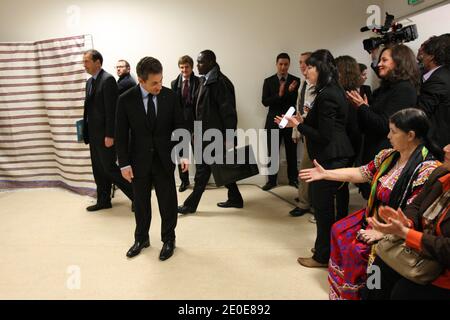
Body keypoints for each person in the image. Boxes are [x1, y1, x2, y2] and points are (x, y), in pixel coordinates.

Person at [298, 108, 440, 299]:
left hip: (398, 227)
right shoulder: (389, 156)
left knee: (358, 250)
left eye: (393, 131)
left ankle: (364, 293)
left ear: (410, 135)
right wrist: (326, 174)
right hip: (374, 216)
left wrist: (383, 231)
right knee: (339, 230)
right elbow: (362, 173)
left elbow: (413, 212)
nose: (388, 135)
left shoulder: (427, 169)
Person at [275, 49, 354, 268]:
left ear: (322, 69)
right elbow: (326, 125)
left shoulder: (327, 94)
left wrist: (298, 125)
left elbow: (325, 135)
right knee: (329, 209)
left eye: (310, 67)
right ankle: (327, 250)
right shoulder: (333, 90)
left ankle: (322, 256)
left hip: (330, 157)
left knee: (324, 209)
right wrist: (303, 120)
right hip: (337, 155)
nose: (306, 71)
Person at [115, 56, 187, 261]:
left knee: (168, 203)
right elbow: (120, 134)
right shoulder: (125, 99)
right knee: (141, 203)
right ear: (141, 80)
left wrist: (183, 154)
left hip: (164, 160)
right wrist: (124, 163)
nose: (159, 86)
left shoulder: (170, 96)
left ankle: (169, 239)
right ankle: (141, 238)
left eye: (161, 80)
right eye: (154, 83)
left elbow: (180, 127)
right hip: (138, 162)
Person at [365, 143, 450, 300]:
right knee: (375, 270)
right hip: (420, 248)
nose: (445, 148)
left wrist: (407, 233)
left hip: (442, 269)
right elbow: (416, 205)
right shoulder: (441, 174)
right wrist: (406, 222)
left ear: (410, 135)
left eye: (394, 131)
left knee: (402, 293)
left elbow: (446, 249)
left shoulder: (428, 166)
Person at [347, 44, 420, 199]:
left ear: (399, 62)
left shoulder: (404, 89)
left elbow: (385, 125)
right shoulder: (387, 88)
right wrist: (364, 108)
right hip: (375, 152)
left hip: (388, 156)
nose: (379, 64)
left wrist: (362, 107)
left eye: (384, 60)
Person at [178, 50, 244, 214]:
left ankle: (190, 205)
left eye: (200, 62)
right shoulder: (204, 80)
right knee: (219, 167)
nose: (197, 65)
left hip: (215, 136)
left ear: (211, 62)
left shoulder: (220, 83)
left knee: (203, 171)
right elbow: (200, 109)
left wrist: (229, 137)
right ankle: (235, 198)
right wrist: (195, 131)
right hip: (203, 134)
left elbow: (229, 113)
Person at [82, 50, 134, 212]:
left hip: (105, 135)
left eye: (87, 61)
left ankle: (137, 195)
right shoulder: (90, 82)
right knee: (98, 169)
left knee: (110, 169)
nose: (84, 64)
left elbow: (112, 111)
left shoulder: (108, 80)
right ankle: (103, 200)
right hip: (93, 134)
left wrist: (110, 135)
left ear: (98, 62)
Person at [262, 53, 300, 191]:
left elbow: (294, 102)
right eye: (281, 64)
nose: (283, 67)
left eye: (286, 64)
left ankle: (293, 179)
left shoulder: (296, 80)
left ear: (289, 65)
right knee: (272, 152)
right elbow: (265, 102)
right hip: (273, 121)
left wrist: (289, 92)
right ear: (276, 64)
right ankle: (271, 181)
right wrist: (279, 94)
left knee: (292, 152)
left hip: (290, 120)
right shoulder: (268, 81)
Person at [334, 55, 363, 219]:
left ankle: (340, 218)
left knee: (340, 183)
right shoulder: (355, 91)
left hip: (347, 144)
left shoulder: (345, 96)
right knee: (342, 184)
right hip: (353, 143)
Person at [290, 51, 316, 218]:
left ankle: (305, 203)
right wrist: (295, 129)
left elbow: (311, 111)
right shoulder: (303, 83)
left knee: (306, 168)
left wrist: (298, 125)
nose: (301, 65)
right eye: (299, 62)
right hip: (304, 130)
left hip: (313, 132)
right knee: (306, 168)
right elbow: (299, 107)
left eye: (305, 62)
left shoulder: (317, 85)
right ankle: (305, 198)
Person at [171, 55, 200, 192]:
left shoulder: (199, 82)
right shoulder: (174, 83)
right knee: (181, 154)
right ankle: (184, 181)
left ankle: (200, 181)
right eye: (181, 67)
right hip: (180, 124)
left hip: (195, 123)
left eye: (186, 67)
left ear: (192, 67)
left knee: (198, 153)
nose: (184, 70)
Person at [417, 35, 450, 149]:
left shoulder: (438, 79)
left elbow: (420, 114)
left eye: (424, 54)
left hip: (434, 146)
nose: (422, 57)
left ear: (431, 56)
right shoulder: (444, 75)